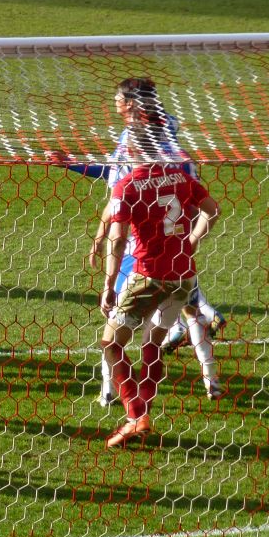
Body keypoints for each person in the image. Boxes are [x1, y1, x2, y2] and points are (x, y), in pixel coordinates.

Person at [61, 78, 226, 405]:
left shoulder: (134, 157)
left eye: (119, 101)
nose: (115, 105)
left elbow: (118, 200)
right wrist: (189, 241)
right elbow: (204, 205)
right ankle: (209, 378)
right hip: (178, 255)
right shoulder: (176, 152)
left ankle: (115, 396)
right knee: (165, 329)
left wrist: (101, 241)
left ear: (133, 107)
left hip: (142, 256)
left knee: (113, 331)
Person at [95, 125, 221, 448]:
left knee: (111, 342)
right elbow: (212, 210)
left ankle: (136, 415)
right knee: (152, 340)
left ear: (132, 152)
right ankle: (141, 417)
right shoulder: (180, 176)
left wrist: (109, 285)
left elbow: (119, 238)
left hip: (148, 277)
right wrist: (190, 242)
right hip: (183, 277)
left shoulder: (127, 186)